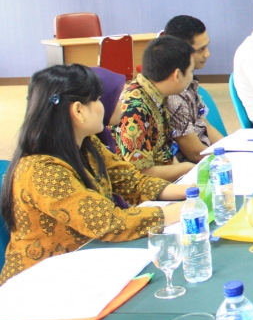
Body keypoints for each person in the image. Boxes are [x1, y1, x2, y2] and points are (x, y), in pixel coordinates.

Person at [0, 64, 187, 285]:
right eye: (97, 100)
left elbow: (132, 183)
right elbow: (108, 222)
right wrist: (185, 210)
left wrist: (191, 192)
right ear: (79, 110)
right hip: (38, 285)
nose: (104, 106)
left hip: (80, 267)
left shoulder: (87, 145)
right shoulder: (42, 171)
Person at [115, 36, 197, 182]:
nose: (192, 76)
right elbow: (140, 173)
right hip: (144, 189)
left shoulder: (156, 92)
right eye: (191, 71)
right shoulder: (135, 110)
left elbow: (165, 149)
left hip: (165, 178)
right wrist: (187, 169)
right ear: (177, 75)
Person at [163, 15, 224, 163]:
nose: (207, 54)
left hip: (209, 158)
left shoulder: (189, 80)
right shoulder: (173, 93)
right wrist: (228, 160)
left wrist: (229, 148)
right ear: (180, 51)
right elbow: (195, 154)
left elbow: (204, 124)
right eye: (201, 49)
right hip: (195, 167)